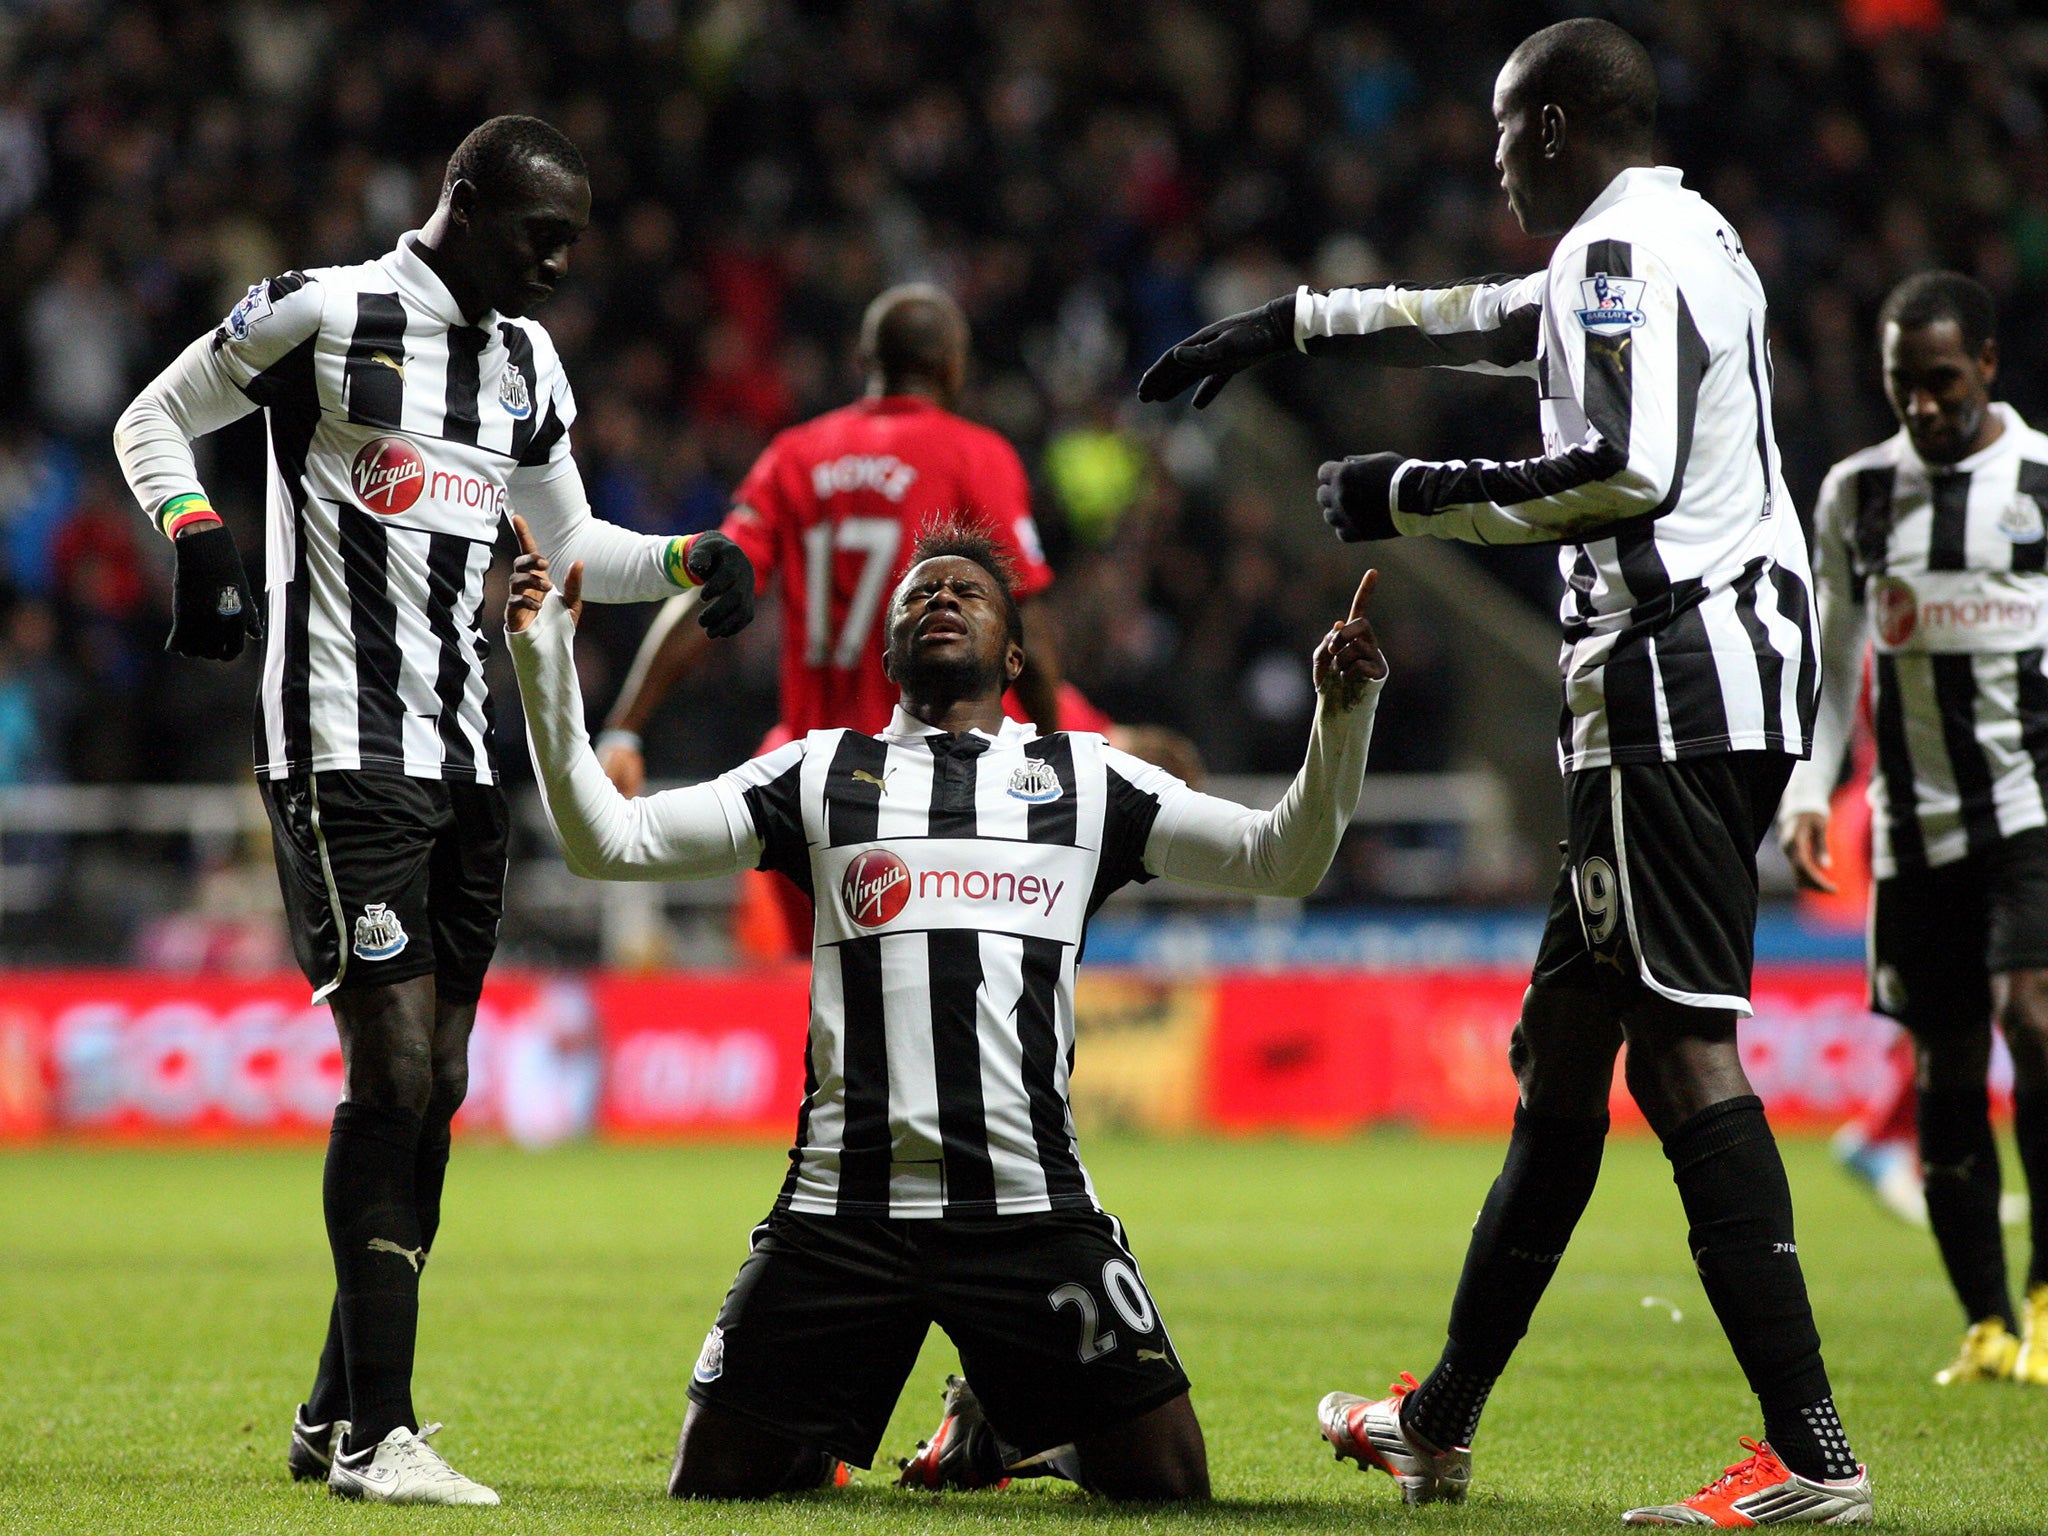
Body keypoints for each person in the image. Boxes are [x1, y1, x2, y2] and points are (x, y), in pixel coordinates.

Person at [1139, 18, 1870, 1527]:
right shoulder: (1682, 236)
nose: (1487, 161)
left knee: (1680, 1053)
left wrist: (1407, 492)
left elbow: (1624, 472)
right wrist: (1286, 327)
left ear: (1551, 125)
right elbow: (1471, 314)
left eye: (1498, 130)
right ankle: (1438, 1423)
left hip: (1669, 687)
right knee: (1562, 1058)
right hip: (1708, 681)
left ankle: (1812, 1455)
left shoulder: (1616, 252)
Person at [110, 116, 755, 1505]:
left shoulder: (526, 362)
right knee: (394, 1069)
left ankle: (333, 1410)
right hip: (340, 745)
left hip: (467, 758)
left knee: (442, 1081)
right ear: (465, 203)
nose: (562, 263)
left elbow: (573, 551)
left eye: (574, 240)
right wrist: (195, 537)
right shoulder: (323, 311)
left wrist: (694, 555)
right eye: (542, 235)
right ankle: (378, 1436)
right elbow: (151, 418)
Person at [504, 515, 1387, 1500]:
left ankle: (1009, 1424)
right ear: (886, 655)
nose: (941, 598)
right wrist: (544, 664)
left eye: (967, 590)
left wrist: (1340, 714)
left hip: (1027, 1207)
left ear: (1013, 655)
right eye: (919, 592)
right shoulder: (817, 772)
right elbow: (607, 843)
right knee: (710, 1487)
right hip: (842, 1210)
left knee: (1169, 1489)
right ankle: (929, 1423)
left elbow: (1280, 858)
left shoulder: (1086, 779)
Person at [1779, 270, 2048, 1389]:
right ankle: (1987, 1323)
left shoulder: (2039, 481)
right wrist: (1807, 789)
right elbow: (1834, 652)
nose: (1924, 405)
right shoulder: (1857, 494)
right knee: (1944, 1066)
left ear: (1985, 365)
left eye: (1941, 381)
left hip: (2031, 808)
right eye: (1904, 386)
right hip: (1912, 825)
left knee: (2034, 1021)